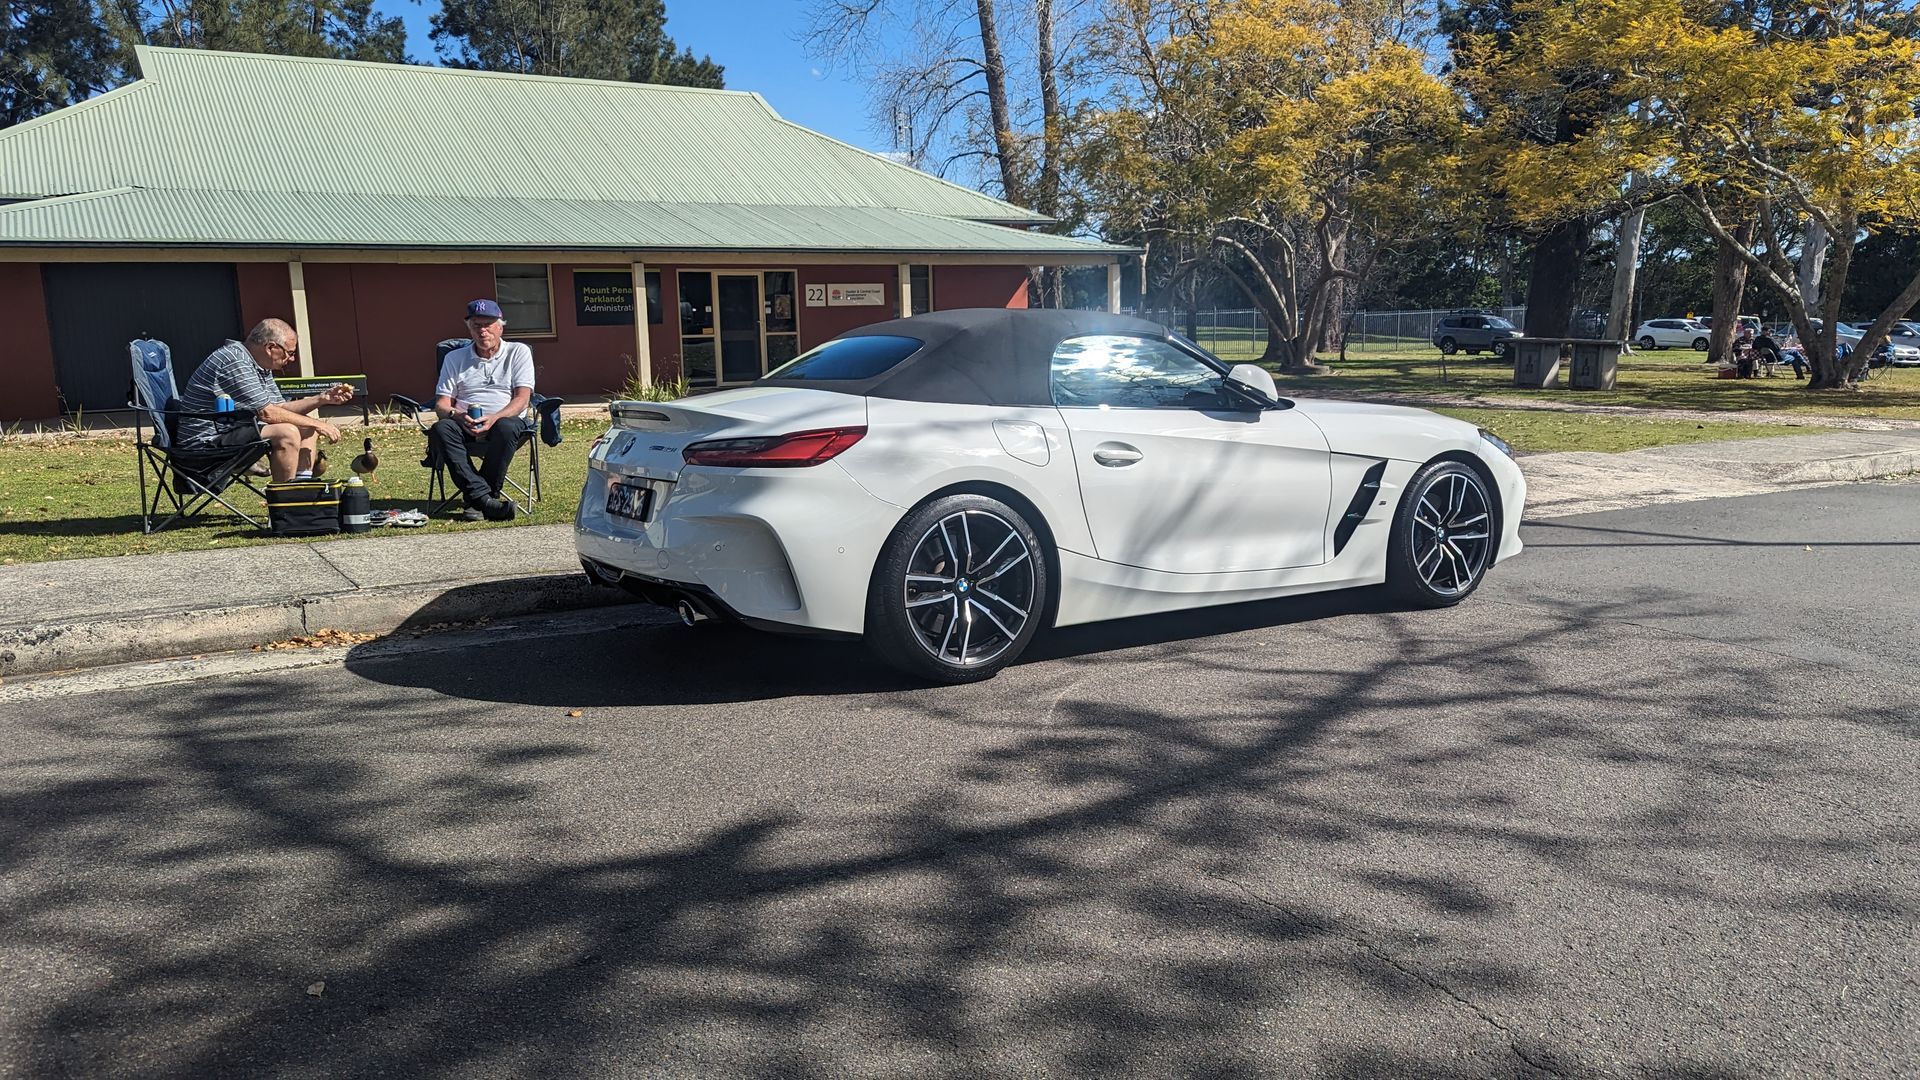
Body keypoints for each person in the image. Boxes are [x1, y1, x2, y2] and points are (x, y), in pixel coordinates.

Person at [177, 319, 351, 483]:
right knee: (287, 432)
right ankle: (284, 504)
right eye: (290, 353)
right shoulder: (234, 361)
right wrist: (319, 424)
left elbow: (280, 408)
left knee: (306, 428)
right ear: (270, 347)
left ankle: (300, 494)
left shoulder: (258, 364)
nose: (292, 359)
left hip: (228, 432)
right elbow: (268, 413)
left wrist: (321, 399)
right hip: (204, 444)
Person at [430, 299, 534, 521]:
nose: (483, 331)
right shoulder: (454, 358)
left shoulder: (518, 352)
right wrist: (456, 415)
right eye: (477, 325)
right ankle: (487, 501)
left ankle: (478, 499)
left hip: (505, 421)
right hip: (464, 422)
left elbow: (522, 399)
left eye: (488, 324)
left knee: (507, 427)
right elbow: (441, 404)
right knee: (441, 428)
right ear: (469, 327)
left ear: (500, 326)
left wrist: (494, 418)